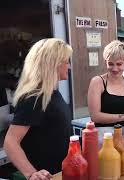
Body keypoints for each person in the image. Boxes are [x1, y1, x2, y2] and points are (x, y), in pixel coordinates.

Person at [4, 38, 73, 180]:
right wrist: (31, 173)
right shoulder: (34, 97)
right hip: (48, 176)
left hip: (61, 173)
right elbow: (10, 142)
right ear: (53, 64)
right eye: (67, 62)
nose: (69, 66)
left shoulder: (52, 93)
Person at [87, 40, 124, 127]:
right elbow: (95, 116)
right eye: (110, 64)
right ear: (105, 62)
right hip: (104, 136)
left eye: (119, 64)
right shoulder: (97, 82)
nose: (115, 69)